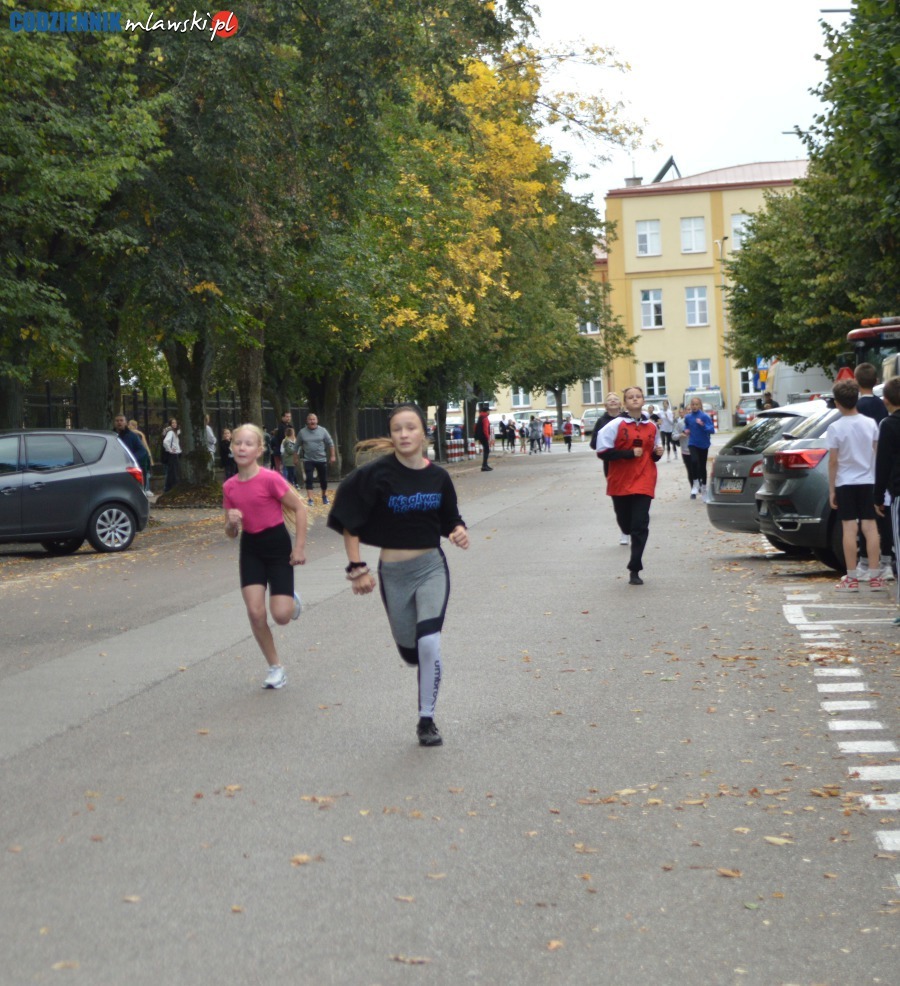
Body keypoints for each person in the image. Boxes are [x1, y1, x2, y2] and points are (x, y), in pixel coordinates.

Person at [326, 404, 469, 746]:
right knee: (411, 653)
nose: (404, 434)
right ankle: (421, 664)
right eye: (397, 429)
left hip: (431, 567)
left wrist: (458, 530)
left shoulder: (439, 477)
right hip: (394, 573)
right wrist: (356, 568)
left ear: (424, 432)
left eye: (410, 427)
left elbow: (450, 518)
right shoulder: (376, 475)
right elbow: (349, 520)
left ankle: (426, 720)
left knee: (429, 642)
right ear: (391, 435)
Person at [223, 423, 307, 689]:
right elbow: (231, 533)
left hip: (277, 546)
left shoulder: (270, 479)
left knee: (281, 616)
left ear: (259, 450)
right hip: (251, 548)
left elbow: (300, 508)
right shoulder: (229, 487)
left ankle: (290, 600)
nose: (242, 448)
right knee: (255, 612)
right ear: (231, 448)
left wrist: (299, 548)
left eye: (248, 444)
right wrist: (231, 523)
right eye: (238, 443)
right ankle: (275, 667)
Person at [595, 386, 663, 585]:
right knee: (626, 524)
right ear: (625, 402)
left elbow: (652, 453)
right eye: (630, 397)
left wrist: (657, 454)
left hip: (644, 479)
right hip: (621, 481)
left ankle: (635, 567)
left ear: (643, 401)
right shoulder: (615, 425)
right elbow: (602, 452)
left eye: (638, 396)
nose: (635, 399)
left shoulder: (652, 427)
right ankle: (626, 530)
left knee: (640, 525)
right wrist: (628, 453)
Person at [826, 379, 883, 592]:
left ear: (837, 403)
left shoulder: (835, 427)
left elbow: (833, 461)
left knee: (849, 529)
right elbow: (876, 452)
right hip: (868, 481)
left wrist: (832, 489)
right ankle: (875, 576)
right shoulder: (870, 423)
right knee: (871, 527)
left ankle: (851, 578)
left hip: (845, 482)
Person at [854, 363, 891, 578]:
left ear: (857, 382)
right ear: (876, 381)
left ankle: (865, 562)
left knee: (864, 519)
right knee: (884, 518)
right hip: (882, 467)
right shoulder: (882, 405)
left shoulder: (856, 407)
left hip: (862, 469)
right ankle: (886, 562)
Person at [874, 376, 900, 616]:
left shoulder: (888, 425)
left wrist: (878, 496)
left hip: (898, 493)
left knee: (899, 550)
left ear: (886, 400)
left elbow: (882, 464)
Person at [297, 413, 336, 506]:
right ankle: (310, 499)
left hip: (321, 459)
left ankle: (324, 496)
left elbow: (331, 443)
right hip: (308, 459)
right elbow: (296, 446)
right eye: (310, 420)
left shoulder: (323, 431)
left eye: (314, 419)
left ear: (317, 421)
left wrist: (332, 456)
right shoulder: (302, 432)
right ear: (307, 421)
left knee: (323, 480)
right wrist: (295, 458)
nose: (312, 421)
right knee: (309, 479)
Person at [683, 397, 715, 499]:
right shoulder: (688, 417)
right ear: (690, 405)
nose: (694, 406)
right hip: (692, 442)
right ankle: (695, 483)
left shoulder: (705, 416)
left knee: (702, 467)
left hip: (703, 444)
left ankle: (704, 488)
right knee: (694, 461)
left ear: (700, 405)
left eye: (696, 404)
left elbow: (712, 430)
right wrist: (686, 430)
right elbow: (686, 426)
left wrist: (703, 425)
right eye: (693, 404)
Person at [114, 415, 150, 492]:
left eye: (121, 420)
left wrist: (131, 459)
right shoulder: (111, 436)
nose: (119, 422)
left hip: (128, 467)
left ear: (125, 422)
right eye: (117, 421)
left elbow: (142, 451)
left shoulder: (132, 436)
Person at [126, 418, 153, 494]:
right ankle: (146, 489)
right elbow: (145, 446)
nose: (128, 426)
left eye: (130, 425)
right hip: (142, 456)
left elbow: (144, 446)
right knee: (145, 472)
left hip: (136, 457)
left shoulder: (133, 434)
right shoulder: (139, 434)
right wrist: (149, 455)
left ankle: (144, 489)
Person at [162, 417, 182, 492]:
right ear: (170, 424)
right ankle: (171, 487)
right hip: (173, 454)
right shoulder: (171, 432)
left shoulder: (174, 432)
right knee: (173, 472)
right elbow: (165, 442)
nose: (174, 424)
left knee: (172, 472)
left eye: (175, 422)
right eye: (173, 423)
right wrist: (170, 450)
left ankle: (168, 488)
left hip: (175, 454)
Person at [271, 410, 293, 475]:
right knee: (282, 469)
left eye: (289, 416)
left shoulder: (289, 426)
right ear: (282, 417)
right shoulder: (282, 427)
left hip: (285, 451)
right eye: (287, 416)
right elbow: (282, 439)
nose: (288, 418)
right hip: (281, 451)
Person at [474, 405, 492, 471]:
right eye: (489, 411)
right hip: (484, 436)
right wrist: (487, 437)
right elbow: (485, 429)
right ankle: (484, 465)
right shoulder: (485, 418)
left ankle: (485, 465)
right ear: (487, 411)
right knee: (487, 450)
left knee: (486, 450)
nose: (489, 412)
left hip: (480, 436)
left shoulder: (480, 416)